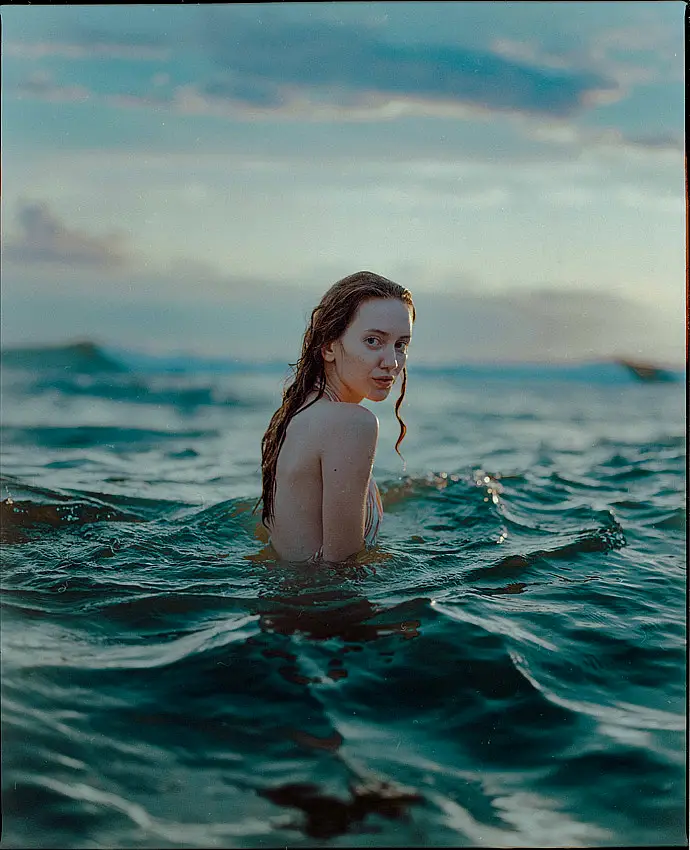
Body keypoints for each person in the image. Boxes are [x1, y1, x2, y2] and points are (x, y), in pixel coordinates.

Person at [256, 271, 415, 563]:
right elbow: (342, 567)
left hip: (284, 600)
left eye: (400, 345)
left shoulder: (300, 414)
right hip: (320, 605)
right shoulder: (352, 423)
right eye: (373, 341)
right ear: (328, 346)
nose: (392, 362)